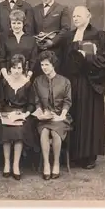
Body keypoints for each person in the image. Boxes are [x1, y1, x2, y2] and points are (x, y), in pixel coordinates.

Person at [60, 6, 105, 169]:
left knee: (88, 116)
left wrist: (87, 57)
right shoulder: (69, 36)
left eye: (79, 16)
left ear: (88, 16)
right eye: (74, 16)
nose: (75, 18)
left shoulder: (99, 35)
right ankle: (75, 154)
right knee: (74, 113)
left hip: (90, 82)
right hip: (73, 81)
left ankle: (89, 156)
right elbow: (64, 59)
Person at [32, 50, 72, 180]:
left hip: (61, 117)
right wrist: (41, 113)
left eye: (47, 65)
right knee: (44, 131)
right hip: (44, 117)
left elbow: (67, 101)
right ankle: (46, 164)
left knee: (55, 133)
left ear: (53, 65)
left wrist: (62, 115)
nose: (44, 68)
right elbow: (36, 101)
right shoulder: (37, 81)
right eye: (42, 65)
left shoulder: (65, 81)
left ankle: (56, 164)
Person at [0, 54, 36, 180]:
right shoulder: (4, 82)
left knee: (19, 130)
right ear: (10, 69)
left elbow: (31, 104)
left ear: (23, 69)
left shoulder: (27, 83)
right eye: (14, 68)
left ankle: (16, 165)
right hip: (7, 111)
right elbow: (0, 100)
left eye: (19, 68)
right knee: (6, 128)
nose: (17, 71)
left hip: (22, 112)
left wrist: (26, 114)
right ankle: (7, 163)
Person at [32, 0, 71, 76]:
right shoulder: (34, 9)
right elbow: (30, 28)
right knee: (39, 78)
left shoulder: (62, 9)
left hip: (55, 50)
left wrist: (53, 42)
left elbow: (66, 29)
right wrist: (36, 41)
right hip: (38, 51)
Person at [0, 9, 38, 81]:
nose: (16, 26)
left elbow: (33, 60)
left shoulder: (31, 39)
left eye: (19, 23)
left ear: (23, 23)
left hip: (26, 76)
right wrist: (7, 77)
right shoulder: (5, 38)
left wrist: (27, 77)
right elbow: (1, 59)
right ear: (10, 24)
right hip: (8, 76)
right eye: (14, 23)